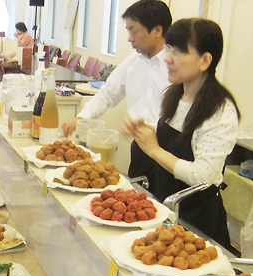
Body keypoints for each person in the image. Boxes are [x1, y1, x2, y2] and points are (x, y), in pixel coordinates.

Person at [123, 18, 240, 249]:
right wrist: (146, 129)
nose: (167, 58)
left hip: (198, 221)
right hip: (166, 209)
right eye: (168, 48)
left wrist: (154, 150)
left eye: (177, 52)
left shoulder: (220, 110)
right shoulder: (176, 94)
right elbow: (172, 134)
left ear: (205, 60)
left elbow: (203, 176)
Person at [62, 0, 171, 176]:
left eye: (134, 31)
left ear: (157, 30)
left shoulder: (176, 65)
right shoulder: (132, 62)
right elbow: (106, 94)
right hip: (140, 148)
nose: (129, 38)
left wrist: (151, 126)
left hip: (170, 151)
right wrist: (81, 117)